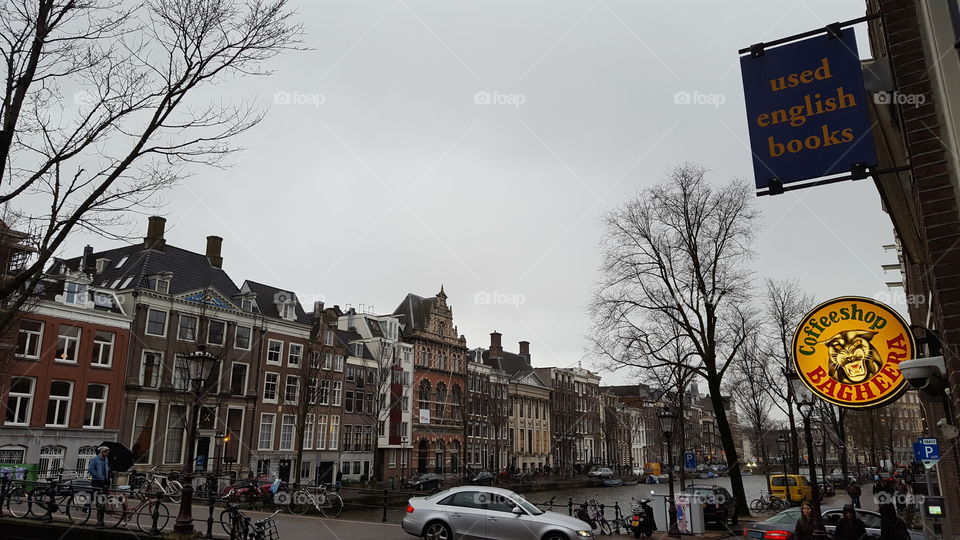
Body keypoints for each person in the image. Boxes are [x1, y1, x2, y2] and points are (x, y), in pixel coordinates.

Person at [87, 446, 110, 528]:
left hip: (105, 481)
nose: (107, 453)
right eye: (106, 452)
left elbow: (106, 468)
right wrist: (97, 476)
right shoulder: (95, 459)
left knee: (103, 498)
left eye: (108, 452)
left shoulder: (106, 459)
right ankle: (89, 506)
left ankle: (100, 516)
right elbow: (90, 469)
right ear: (102, 452)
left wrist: (107, 475)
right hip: (97, 481)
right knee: (97, 498)